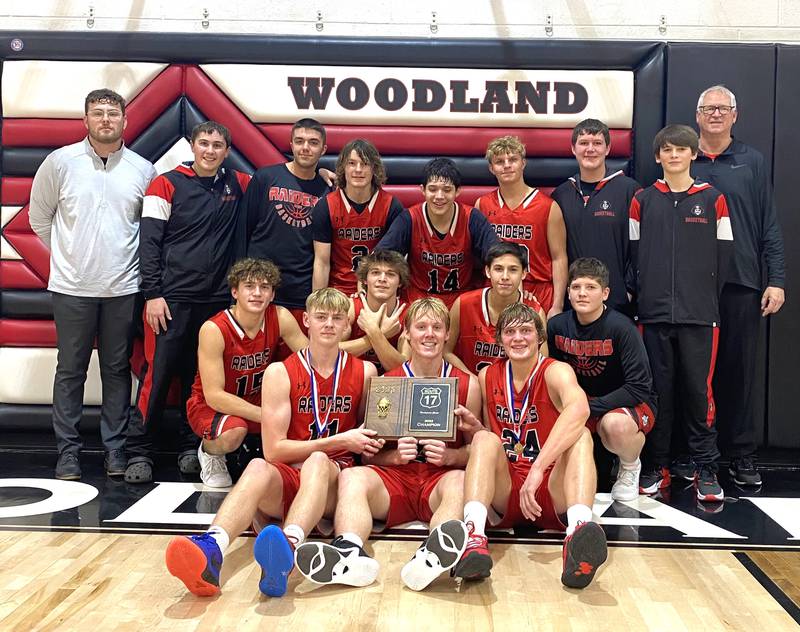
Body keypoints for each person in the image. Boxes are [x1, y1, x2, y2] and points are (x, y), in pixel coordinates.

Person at [165, 288, 378, 598]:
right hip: (289, 478)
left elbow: (368, 438)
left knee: (319, 460)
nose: (329, 324)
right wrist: (340, 438)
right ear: (306, 321)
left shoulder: (366, 371)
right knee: (257, 465)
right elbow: (274, 450)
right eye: (321, 317)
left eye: (337, 318)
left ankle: (288, 547)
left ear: (348, 325)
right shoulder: (279, 372)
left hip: (334, 481)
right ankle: (212, 549)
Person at [294, 297, 483, 592]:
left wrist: (452, 455)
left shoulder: (468, 385)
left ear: (448, 334)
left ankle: (433, 553)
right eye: (420, 327)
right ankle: (348, 552)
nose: (429, 334)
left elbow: (479, 453)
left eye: (437, 327)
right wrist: (393, 457)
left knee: (461, 480)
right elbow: (368, 457)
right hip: (395, 482)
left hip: (439, 482)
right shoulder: (385, 383)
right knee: (352, 475)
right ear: (406, 333)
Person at [28, 88, 156, 480]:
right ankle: (67, 452)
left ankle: (115, 451)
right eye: (97, 113)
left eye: (112, 114)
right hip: (71, 288)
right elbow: (39, 219)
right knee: (71, 370)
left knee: (117, 370)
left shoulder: (142, 169)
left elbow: (148, 229)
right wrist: (69, 256)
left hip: (122, 287)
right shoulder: (60, 162)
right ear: (85, 120)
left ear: (125, 121)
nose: (105, 120)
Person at [127, 121, 251, 483]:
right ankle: (139, 451)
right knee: (158, 375)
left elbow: (276, 187)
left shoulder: (238, 184)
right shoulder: (164, 184)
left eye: (217, 145)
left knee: (201, 379)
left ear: (226, 151)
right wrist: (153, 294)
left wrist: (324, 176)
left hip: (216, 302)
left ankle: (190, 444)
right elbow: (148, 244)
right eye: (204, 143)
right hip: (170, 299)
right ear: (192, 147)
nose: (210, 151)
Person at [453, 302, 607, 588]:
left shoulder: (556, 371)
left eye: (526, 330)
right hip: (509, 489)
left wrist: (537, 469)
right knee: (483, 439)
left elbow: (580, 409)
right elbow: (493, 440)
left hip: (550, 485)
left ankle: (578, 534)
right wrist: (478, 429)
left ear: (539, 337)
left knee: (582, 435)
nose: (518, 338)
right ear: (499, 340)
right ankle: (473, 537)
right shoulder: (487, 376)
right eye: (510, 332)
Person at [630, 124, 733, 502]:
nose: (674, 155)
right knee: (658, 393)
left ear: (694, 154)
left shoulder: (713, 200)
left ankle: (706, 467)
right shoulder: (643, 200)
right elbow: (634, 255)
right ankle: (658, 465)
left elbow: (724, 259)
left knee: (697, 392)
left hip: (699, 316)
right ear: (658, 157)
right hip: (653, 316)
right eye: (667, 150)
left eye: (681, 149)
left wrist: (700, 297)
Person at [691, 85, 785, 486]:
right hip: (690, 286)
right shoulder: (681, 157)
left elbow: (768, 224)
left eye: (722, 108)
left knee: (740, 373)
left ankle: (743, 456)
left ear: (735, 115)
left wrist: (776, 279)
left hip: (742, 283)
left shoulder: (752, 161)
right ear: (697, 115)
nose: (715, 114)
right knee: (694, 376)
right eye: (708, 108)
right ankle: (694, 455)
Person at [186, 258, 308, 488]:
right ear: (235, 292)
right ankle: (209, 453)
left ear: (272, 294)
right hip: (210, 405)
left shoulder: (279, 316)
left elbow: (310, 360)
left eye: (264, 287)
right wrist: (268, 416)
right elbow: (214, 395)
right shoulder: (214, 328)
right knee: (234, 432)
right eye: (249, 286)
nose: (257, 293)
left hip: (256, 399)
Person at [547, 258, 657, 500]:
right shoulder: (556, 326)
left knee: (614, 427)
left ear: (605, 293)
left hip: (628, 403)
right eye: (576, 287)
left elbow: (639, 387)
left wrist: (587, 408)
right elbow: (550, 374)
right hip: (583, 403)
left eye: (591, 287)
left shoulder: (622, 328)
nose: (582, 294)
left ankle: (630, 466)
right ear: (568, 292)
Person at [376, 158, 499, 309]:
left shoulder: (472, 218)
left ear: (458, 191)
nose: (439, 196)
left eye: (447, 190)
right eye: (433, 189)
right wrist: (363, 288)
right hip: (417, 301)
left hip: (460, 302)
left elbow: (498, 256)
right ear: (422, 190)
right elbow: (380, 257)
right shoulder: (409, 218)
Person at [243, 118, 330, 329]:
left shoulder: (328, 189)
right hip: (259, 288)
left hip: (299, 290)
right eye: (299, 141)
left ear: (323, 149)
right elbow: (243, 231)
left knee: (296, 360)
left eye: (313, 142)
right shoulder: (265, 177)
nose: (305, 148)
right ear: (291, 145)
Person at [551, 119, 641, 314]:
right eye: (584, 143)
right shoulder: (561, 195)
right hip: (574, 303)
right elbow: (555, 254)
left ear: (607, 149)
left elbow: (642, 247)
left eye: (597, 143)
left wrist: (629, 290)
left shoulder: (630, 190)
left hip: (617, 303)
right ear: (573, 149)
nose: (590, 149)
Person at [475, 136, 568, 317]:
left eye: (513, 160)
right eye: (500, 161)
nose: (507, 165)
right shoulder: (482, 205)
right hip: (497, 291)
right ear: (491, 168)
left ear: (523, 163)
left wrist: (557, 304)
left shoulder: (548, 206)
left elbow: (559, 258)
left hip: (538, 291)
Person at [312, 139, 405, 295]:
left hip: (375, 291)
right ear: (343, 168)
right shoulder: (326, 206)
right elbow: (322, 263)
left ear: (374, 169)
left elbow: (395, 263)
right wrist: (318, 302)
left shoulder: (391, 206)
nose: (358, 169)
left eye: (365, 164)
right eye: (352, 163)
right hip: (337, 291)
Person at [445, 241, 546, 375]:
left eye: (513, 270)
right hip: (472, 387)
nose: (505, 277)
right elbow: (445, 351)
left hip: (512, 390)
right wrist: (472, 381)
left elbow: (541, 362)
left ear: (523, 274)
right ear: (488, 271)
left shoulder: (535, 312)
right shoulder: (463, 304)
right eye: (498, 269)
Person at [342, 249, 409, 373]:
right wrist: (380, 334)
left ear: (400, 282)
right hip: (352, 383)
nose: (382, 279)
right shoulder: (350, 308)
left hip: (392, 387)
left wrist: (374, 333)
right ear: (365, 280)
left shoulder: (409, 315)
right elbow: (328, 354)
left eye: (391, 274)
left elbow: (403, 370)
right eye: (375, 272)